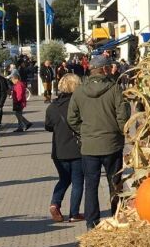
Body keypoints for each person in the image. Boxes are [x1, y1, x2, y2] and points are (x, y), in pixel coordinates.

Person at [67, 53, 128, 227]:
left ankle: (91, 222)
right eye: (109, 67)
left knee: (91, 185)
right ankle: (117, 216)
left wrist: (84, 132)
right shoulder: (115, 89)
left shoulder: (79, 91)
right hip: (112, 144)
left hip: (89, 146)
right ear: (103, 70)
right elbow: (122, 116)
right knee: (115, 184)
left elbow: (72, 118)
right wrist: (121, 132)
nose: (110, 70)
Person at [44, 73, 84, 223]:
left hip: (59, 150)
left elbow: (48, 127)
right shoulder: (79, 105)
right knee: (78, 181)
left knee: (64, 179)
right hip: (77, 149)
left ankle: (55, 203)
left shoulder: (53, 106)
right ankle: (74, 213)